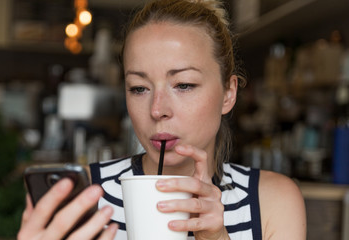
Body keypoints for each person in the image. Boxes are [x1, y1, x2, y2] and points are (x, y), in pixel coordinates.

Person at [18, 0, 307, 239]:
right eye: (139, 88)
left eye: (183, 85)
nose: (157, 110)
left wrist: (217, 237)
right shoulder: (85, 196)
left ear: (229, 93)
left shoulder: (272, 202)